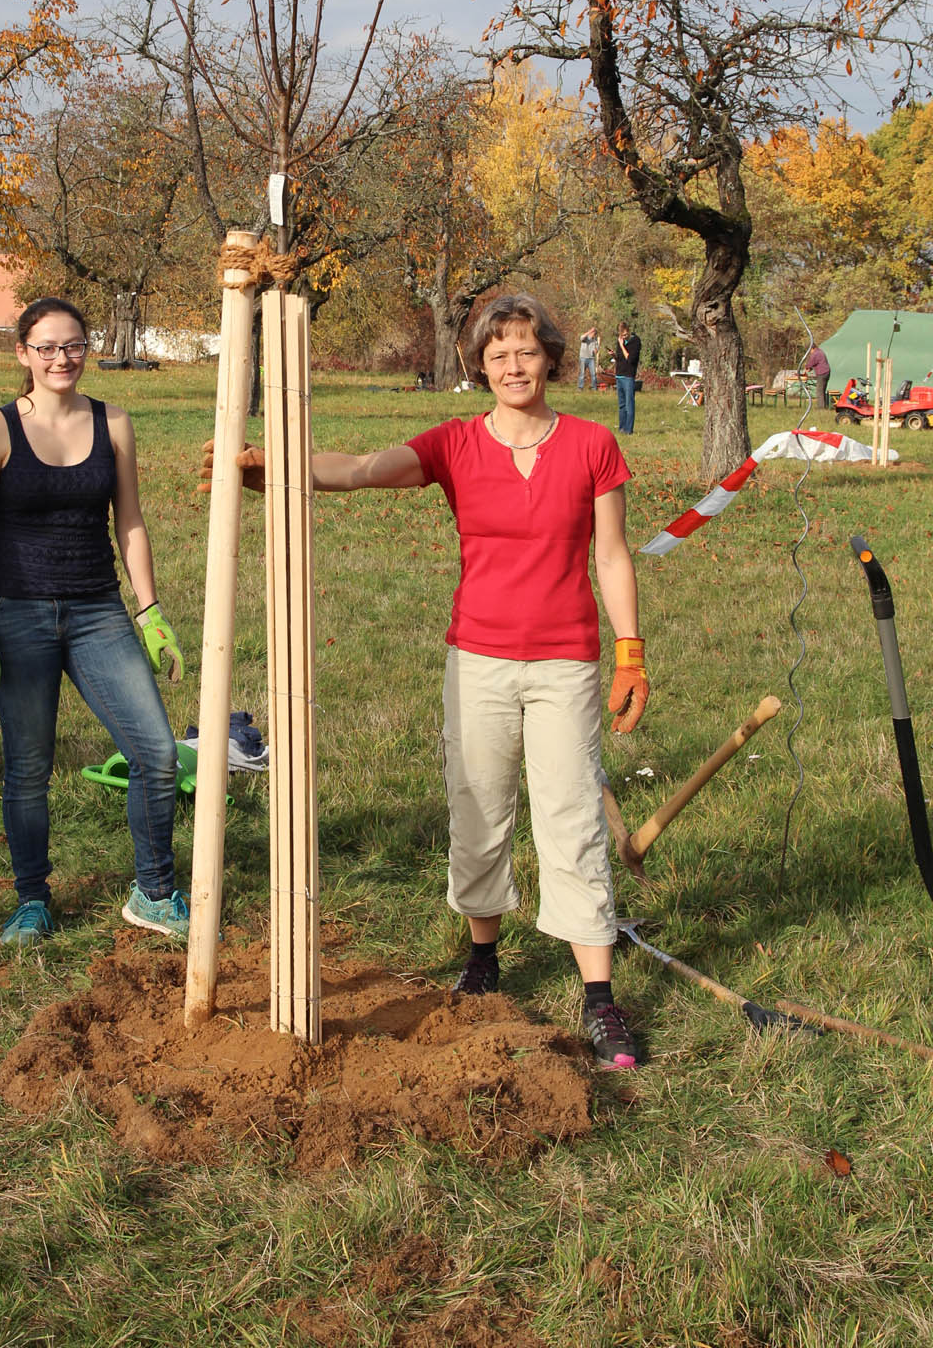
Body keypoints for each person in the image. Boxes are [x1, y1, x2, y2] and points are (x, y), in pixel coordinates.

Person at [236, 292, 649, 1070]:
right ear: (480, 366)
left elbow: (612, 555)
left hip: (565, 661)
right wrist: (282, 472)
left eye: (526, 351)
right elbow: (361, 470)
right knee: (479, 806)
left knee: (573, 819)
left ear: (552, 358)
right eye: (498, 355)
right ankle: (483, 958)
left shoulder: (593, 445)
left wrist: (629, 649)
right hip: (480, 661)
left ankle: (600, 999)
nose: (514, 365)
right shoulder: (457, 443)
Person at [0, 297, 189, 948]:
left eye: (74, 346)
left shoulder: (114, 422)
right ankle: (32, 900)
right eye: (48, 347)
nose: (62, 359)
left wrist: (150, 612)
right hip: (17, 613)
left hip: (97, 612)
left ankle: (154, 892)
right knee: (29, 767)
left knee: (157, 753)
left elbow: (131, 521)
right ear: (23, 354)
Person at [613, 321, 642, 435]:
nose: (624, 337)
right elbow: (621, 358)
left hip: (628, 376)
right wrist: (614, 355)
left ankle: (629, 430)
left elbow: (630, 359)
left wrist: (622, 345)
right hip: (619, 374)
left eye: (625, 335)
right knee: (621, 405)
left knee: (629, 404)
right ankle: (622, 428)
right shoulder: (620, 340)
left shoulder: (635, 341)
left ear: (628, 331)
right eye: (621, 335)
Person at [802, 343, 831, 410]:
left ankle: (821, 408)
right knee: (822, 390)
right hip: (826, 372)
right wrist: (810, 368)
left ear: (812, 348)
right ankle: (824, 406)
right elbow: (817, 363)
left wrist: (806, 368)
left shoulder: (815, 354)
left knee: (819, 391)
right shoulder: (820, 351)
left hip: (822, 373)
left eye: (809, 350)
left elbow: (810, 364)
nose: (809, 352)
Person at [577, 325, 600, 391]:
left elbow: (596, 350)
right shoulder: (585, 338)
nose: (594, 334)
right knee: (582, 374)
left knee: (593, 374)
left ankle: (594, 388)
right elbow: (581, 338)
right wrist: (589, 331)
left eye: (595, 333)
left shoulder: (595, 340)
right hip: (583, 358)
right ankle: (580, 387)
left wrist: (596, 350)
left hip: (591, 359)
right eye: (593, 333)